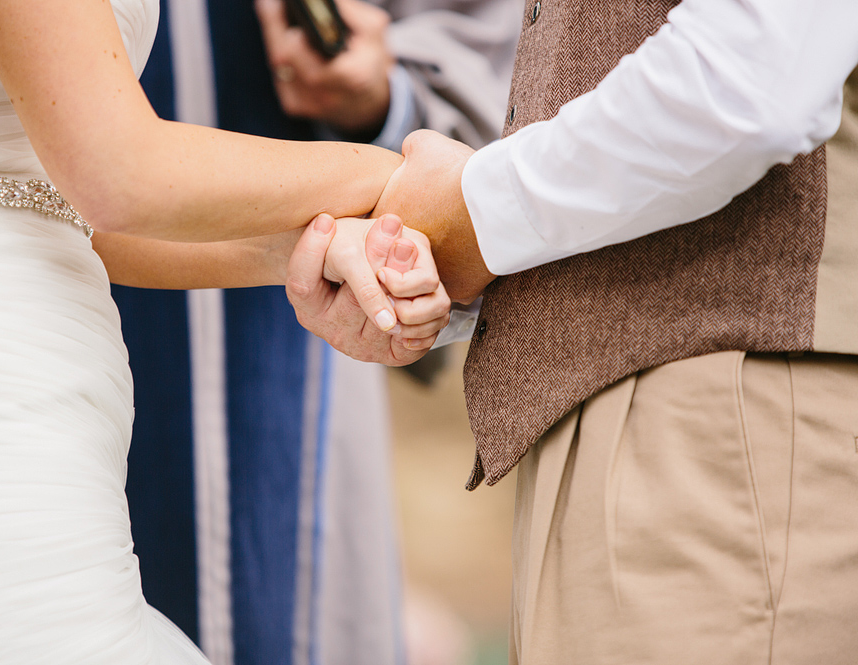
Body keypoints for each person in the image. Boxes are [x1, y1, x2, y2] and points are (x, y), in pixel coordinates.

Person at [0, 0, 454, 660]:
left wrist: (323, 246)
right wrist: (398, 179)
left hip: (41, 393)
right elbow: (112, 170)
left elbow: (63, 206)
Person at [297, 0, 858, 661]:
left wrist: (470, 218)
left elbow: (758, 73)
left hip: (726, 432)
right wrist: (438, 264)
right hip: (665, 443)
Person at [116, 0, 516, 661]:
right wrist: (392, 183)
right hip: (48, 301)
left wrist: (382, 102)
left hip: (299, 320)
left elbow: (483, 54)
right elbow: (104, 174)